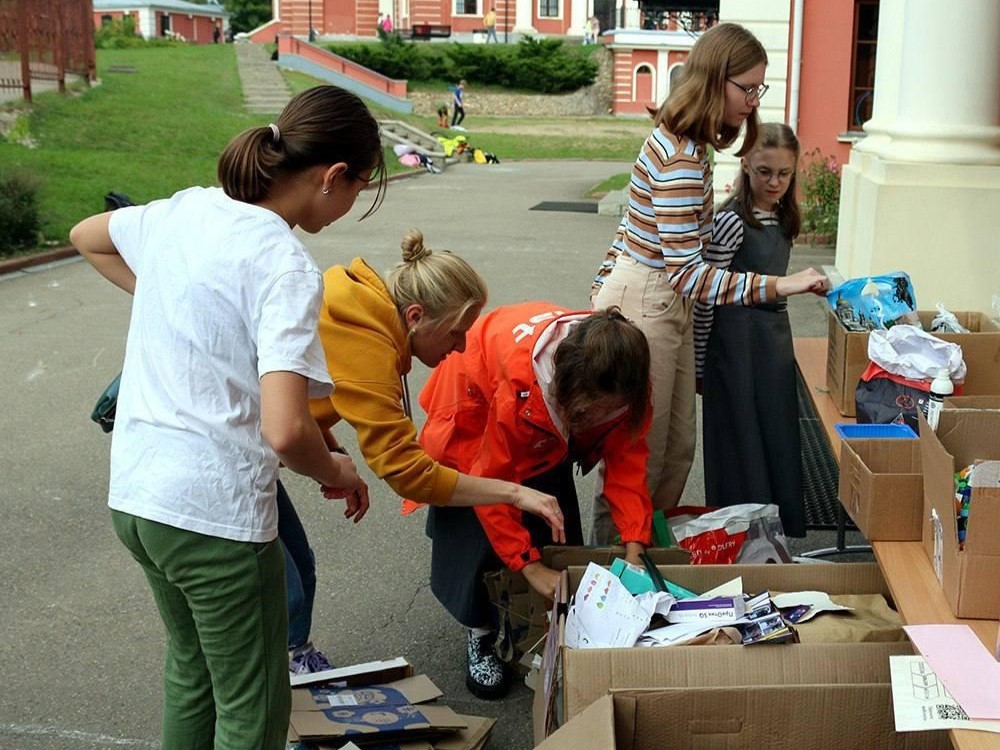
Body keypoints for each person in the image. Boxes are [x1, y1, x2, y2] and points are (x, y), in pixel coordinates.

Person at [69, 85, 383, 749]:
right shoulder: (283, 262)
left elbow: (87, 237)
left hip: (138, 498)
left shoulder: (188, 210)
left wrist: (179, 300)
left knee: (192, 673)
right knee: (253, 708)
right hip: (213, 518)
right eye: (360, 187)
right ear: (332, 177)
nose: (353, 203)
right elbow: (286, 430)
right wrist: (336, 469)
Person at [281, 233, 566, 692]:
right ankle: (275, 689)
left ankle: (290, 662)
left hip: (239, 455)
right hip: (222, 464)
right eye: (455, 333)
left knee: (298, 567)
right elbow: (408, 473)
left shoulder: (360, 315)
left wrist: (329, 447)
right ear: (415, 317)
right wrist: (514, 491)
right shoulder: (367, 346)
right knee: (279, 588)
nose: (458, 348)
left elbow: (301, 392)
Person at [589, 23, 827, 544]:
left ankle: (646, 563)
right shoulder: (678, 157)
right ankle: (608, 577)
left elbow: (633, 229)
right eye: (748, 87)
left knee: (674, 450)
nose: (753, 100)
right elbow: (690, 274)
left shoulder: (691, 145)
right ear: (716, 79)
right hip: (650, 299)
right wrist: (778, 287)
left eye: (758, 89)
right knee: (639, 460)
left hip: (658, 297)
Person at [416, 303, 653, 699]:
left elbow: (627, 460)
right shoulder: (521, 387)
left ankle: (548, 623)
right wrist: (528, 566)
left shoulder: (626, 377)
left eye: (611, 410)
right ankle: (481, 632)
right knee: (480, 534)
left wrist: (635, 546)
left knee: (551, 519)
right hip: (475, 399)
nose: (604, 417)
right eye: (594, 411)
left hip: (538, 415)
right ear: (569, 390)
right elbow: (491, 481)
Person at [695, 123, 806, 536]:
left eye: (784, 173)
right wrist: (701, 362)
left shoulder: (783, 216)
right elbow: (707, 293)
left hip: (773, 340)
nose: (774, 182)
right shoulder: (731, 221)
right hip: (736, 344)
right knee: (741, 436)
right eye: (764, 172)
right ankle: (740, 534)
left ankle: (775, 531)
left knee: (775, 431)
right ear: (745, 165)